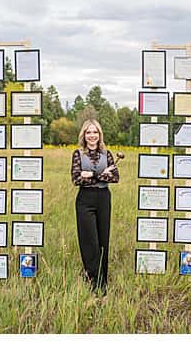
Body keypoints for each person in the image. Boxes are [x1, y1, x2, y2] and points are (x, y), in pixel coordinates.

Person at [71, 119, 121, 291]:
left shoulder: (107, 154)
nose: (92, 135)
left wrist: (89, 175)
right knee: (89, 241)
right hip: (85, 200)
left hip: (103, 199)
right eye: (88, 132)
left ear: (99, 135)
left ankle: (102, 279)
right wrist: (101, 173)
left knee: (102, 241)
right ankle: (94, 281)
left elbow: (115, 177)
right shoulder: (78, 154)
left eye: (95, 132)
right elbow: (76, 179)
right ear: (84, 135)